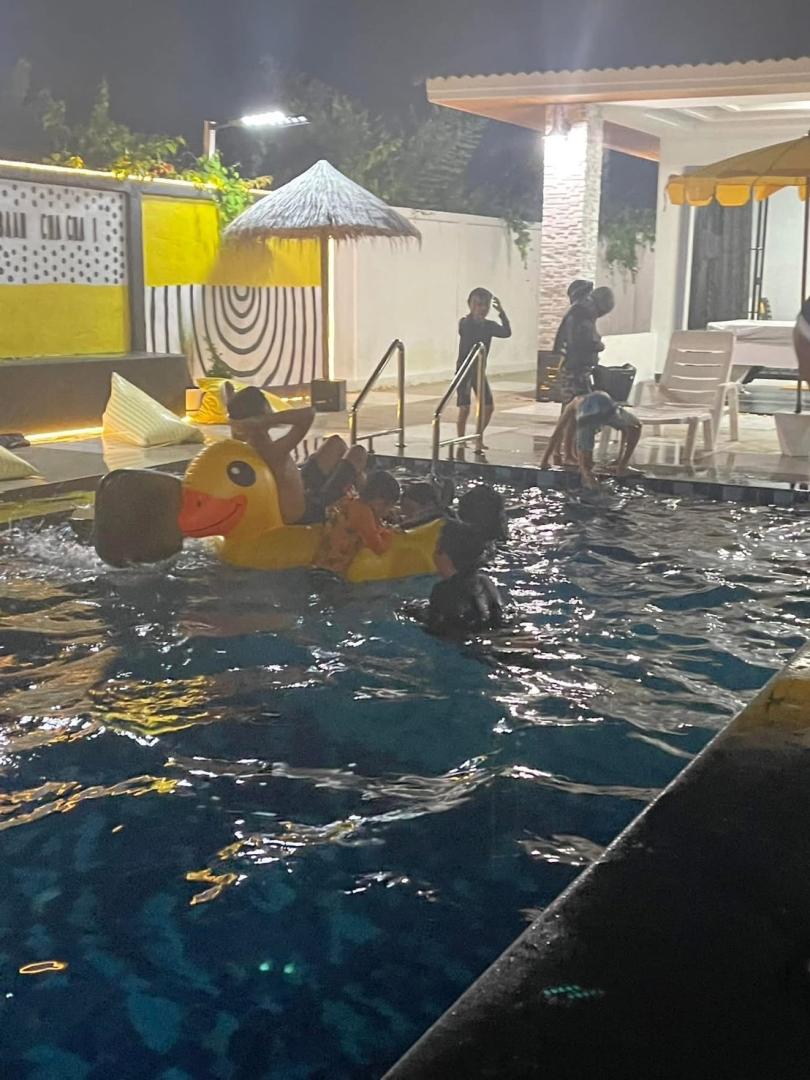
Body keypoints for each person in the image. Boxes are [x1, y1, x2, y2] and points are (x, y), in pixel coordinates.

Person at [225, 384, 367, 525]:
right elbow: (308, 414)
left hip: (303, 489)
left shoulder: (244, 442)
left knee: (335, 443)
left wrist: (235, 407)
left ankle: (355, 483)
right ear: (263, 414)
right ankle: (363, 503)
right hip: (307, 512)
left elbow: (234, 413)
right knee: (358, 452)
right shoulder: (272, 452)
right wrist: (266, 420)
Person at [411, 521, 506, 636]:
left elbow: (434, 627)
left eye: (436, 549)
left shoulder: (442, 590)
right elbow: (499, 618)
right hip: (492, 634)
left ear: (444, 556)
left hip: (468, 641)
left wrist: (415, 614)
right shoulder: (485, 582)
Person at [541, 390, 641, 489]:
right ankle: (621, 467)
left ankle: (593, 487)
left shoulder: (573, 407)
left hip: (592, 412)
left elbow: (556, 434)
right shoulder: (584, 402)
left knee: (585, 467)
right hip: (606, 403)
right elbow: (625, 430)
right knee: (636, 427)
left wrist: (544, 461)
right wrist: (621, 460)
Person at [313, 470, 401, 577]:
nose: (388, 512)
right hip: (334, 572)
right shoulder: (363, 514)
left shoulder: (349, 501)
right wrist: (391, 534)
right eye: (389, 507)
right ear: (380, 503)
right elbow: (378, 547)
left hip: (321, 565)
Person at [456, 287, 512, 441]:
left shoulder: (489, 326)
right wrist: (475, 318)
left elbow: (506, 332)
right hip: (464, 371)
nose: (482, 309)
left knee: (488, 407)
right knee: (464, 409)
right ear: (470, 305)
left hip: (479, 371)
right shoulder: (465, 323)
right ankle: (461, 440)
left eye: (485, 305)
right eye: (478, 304)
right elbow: (465, 330)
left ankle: (478, 436)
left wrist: (501, 312)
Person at [555, 286, 615, 408]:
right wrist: (599, 345)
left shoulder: (580, 310)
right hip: (576, 368)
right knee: (577, 403)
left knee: (573, 403)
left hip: (573, 366)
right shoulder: (584, 313)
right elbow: (586, 341)